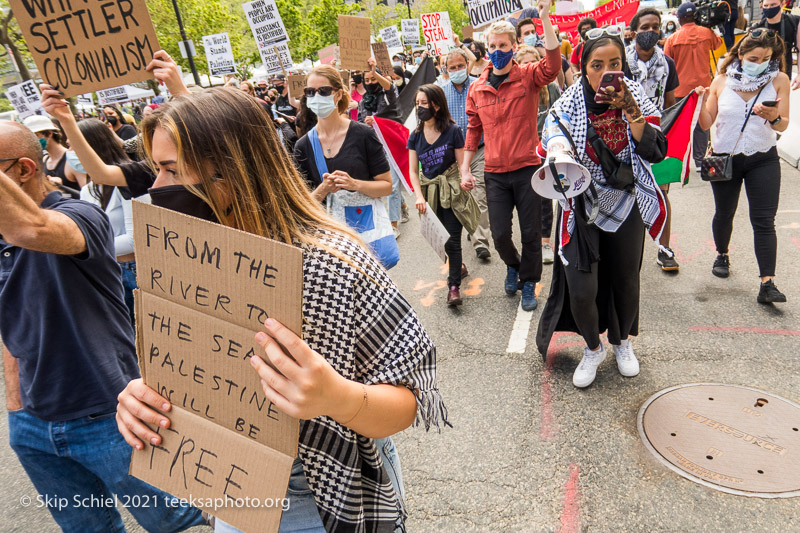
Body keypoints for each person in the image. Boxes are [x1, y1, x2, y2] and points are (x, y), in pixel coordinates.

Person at [43, 80, 447, 533]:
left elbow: (408, 402)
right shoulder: (177, 261)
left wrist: (337, 396)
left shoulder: (331, 264)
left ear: (231, 173)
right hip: (229, 492)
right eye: (156, 169)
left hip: (321, 501)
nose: (155, 186)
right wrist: (141, 399)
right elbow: (187, 374)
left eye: (171, 170)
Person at [0, 120, 204, 532]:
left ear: (24, 168)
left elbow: (30, 229)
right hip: (34, 424)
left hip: (109, 415)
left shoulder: (79, 214)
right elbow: (11, 318)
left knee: (174, 521)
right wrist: (17, 405)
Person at [536, 27, 668, 389]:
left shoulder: (634, 96)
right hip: (581, 205)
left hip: (627, 203)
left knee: (626, 280)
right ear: (582, 67)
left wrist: (632, 112)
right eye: (597, 64)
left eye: (615, 63)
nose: (607, 71)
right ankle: (592, 348)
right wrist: (560, 150)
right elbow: (554, 138)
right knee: (581, 288)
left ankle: (622, 343)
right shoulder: (566, 106)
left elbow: (656, 150)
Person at [461, 2, 561, 312]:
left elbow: (553, 65)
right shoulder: (477, 88)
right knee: (501, 234)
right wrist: (465, 167)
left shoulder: (529, 76)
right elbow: (473, 131)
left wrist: (543, 17)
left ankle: (529, 282)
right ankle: (514, 265)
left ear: (514, 46)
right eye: (492, 46)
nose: (497, 50)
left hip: (527, 169)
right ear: (486, 49)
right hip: (494, 173)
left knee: (531, 232)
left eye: (503, 45)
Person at [696, 28, 790, 304]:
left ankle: (767, 282)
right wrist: (701, 103)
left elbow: (784, 124)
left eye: (766, 58)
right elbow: (705, 123)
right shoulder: (721, 81)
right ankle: (722, 253)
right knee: (724, 213)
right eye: (753, 57)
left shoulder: (779, 79)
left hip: (764, 157)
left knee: (763, 221)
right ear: (739, 54)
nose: (759, 63)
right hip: (726, 159)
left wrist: (774, 117)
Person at [408, 84, 479, 306]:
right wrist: (418, 196)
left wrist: (466, 177)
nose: (419, 108)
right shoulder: (415, 136)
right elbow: (412, 171)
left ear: (436, 105)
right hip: (430, 195)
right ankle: (459, 267)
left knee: (453, 241)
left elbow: (462, 164)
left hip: (452, 192)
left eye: (424, 103)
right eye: (417, 104)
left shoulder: (452, 130)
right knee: (441, 240)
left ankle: (454, 287)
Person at [628, 7, 682, 272]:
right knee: (629, 194)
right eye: (645, 27)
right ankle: (626, 250)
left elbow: (670, 104)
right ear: (633, 31)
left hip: (656, 136)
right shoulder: (621, 62)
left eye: (655, 27)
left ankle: (664, 249)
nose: (650, 32)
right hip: (626, 138)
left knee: (661, 192)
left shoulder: (667, 63)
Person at [75, 118, 143, 324]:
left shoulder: (130, 179)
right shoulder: (87, 189)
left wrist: (87, 247)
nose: (73, 153)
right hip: (104, 270)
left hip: (132, 271)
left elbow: (135, 239)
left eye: (76, 146)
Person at [294, 65, 393, 205]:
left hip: (363, 222)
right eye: (310, 92)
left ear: (338, 94)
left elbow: (387, 186)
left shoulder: (363, 134)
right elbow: (301, 204)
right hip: (326, 225)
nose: (316, 97)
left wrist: (355, 184)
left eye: (324, 91)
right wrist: (323, 189)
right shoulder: (303, 146)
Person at [441, 48, 493, 261]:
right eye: (452, 68)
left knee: (479, 193)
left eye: (460, 66)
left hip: (480, 150)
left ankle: (481, 241)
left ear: (467, 65)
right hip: (455, 154)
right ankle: (470, 229)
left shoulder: (479, 86)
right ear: (446, 70)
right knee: (462, 197)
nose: (457, 70)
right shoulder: (441, 93)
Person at [516, 45, 561, 265]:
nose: (528, 67)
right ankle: (530, 241)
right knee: (526, 200)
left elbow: (560, 117)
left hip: (544, 149)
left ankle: (545, 241)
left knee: (544, 198)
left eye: (532, 62)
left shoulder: (551, 88)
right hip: (521, 151)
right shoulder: (514, 90)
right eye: (523, 63)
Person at [665, 2, 722, 170]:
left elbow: (667, 63)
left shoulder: (672, 39)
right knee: (701, 125)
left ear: (680, 18)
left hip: (680, 89)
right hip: (703, 88)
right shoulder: (706, 33)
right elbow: (717, 44)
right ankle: (699, 161)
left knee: (680, 126)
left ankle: (678, 162)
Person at [357, 58, 405, 234]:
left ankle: (393, 225)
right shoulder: (363, 102)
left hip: (392, 145)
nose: (370, 83)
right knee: (385, 185)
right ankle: (403, 205)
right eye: (367, 80)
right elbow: (360, 123)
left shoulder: (388, 95)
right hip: (374, 148)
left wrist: (374, 70)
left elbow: (390, 87)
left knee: (391, 186)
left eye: (373, 79)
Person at [22, 115, 77, 192]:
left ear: (49, 134)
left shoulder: (73, 160)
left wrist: (62, 187)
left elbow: (90, 194)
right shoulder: (43, 160)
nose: (32, 141)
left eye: (35, 136)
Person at [751, 0, 799, 77]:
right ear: (761, 5)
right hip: (762, 74)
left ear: (782, 4)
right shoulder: (757, 28)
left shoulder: (793, 22)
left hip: (785, 73)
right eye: (766, 6)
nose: (769, 8)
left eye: (773, 5)